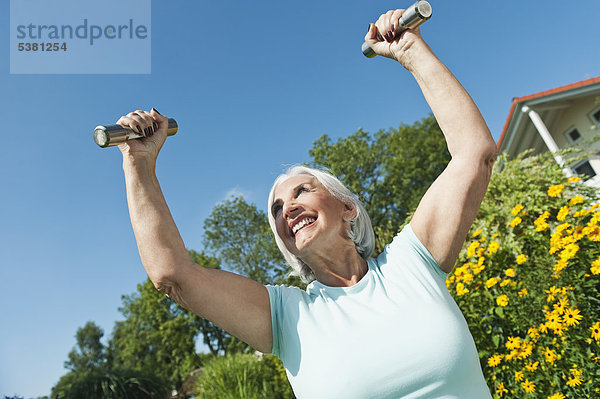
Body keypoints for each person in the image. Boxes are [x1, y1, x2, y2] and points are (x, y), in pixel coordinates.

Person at [115, 8, 496, 398]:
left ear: (348, 207)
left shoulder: (412, 264)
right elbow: (172, 274)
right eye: (277, 209)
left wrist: (410, 50)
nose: (288, 209)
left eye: (302, 192)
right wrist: (138, 164)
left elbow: (474, 153)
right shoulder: (285, 317)